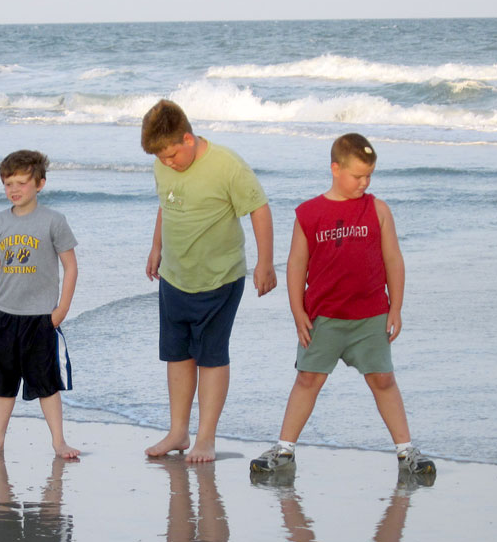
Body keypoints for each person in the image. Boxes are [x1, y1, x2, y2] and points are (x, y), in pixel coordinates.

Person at [250, 133, 436, 476]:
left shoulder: (378, 210)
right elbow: (296, 265)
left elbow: (393, 259)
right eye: (358, 176)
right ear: (335, 169)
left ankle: (406, 451)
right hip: (323, 319)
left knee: (384, 380)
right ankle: (284, 449)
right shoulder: (309, 213)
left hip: (371, 317)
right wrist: (298, 313)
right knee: (307, 379)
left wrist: (396, 307)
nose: (364, 183)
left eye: (369, 176)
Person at [141, 100, 277, 463]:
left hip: (219, 279)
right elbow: (165, 205)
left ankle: (205, 437)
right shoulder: (161, 163)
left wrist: (265, 263)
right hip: (175, 276)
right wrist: (156, 247)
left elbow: (259, 208)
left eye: (172, 155)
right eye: (161, 158)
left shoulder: (227, 165)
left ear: (188, 138)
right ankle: (178, 431)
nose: (168, 162)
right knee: (177, 354)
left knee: (211, 357)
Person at [0, 151, 79, 459]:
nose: (14, 189)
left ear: (40, 184)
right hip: (3, 316)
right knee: (2, 383)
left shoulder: (53, 221)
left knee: (47, 383)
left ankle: (59, 441)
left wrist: (61, 310)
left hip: (41, 318)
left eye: (21, 183)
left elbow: (71, 266)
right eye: (8, 184)